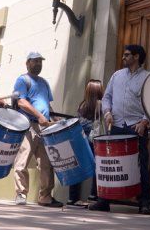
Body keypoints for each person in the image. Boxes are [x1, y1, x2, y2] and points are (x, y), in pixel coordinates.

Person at [89, 44, 150, 215]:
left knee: (140, 165)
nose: (123, 57)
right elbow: (107, 96)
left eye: (127, 55)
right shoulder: (117, 75)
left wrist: (144, 122)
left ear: (137, 56)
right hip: (116, 126)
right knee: (111, 163)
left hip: (136, 127)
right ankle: (103, 200)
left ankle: (144, 203)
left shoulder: (148, 77)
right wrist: (107, 112)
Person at [12, 51, 62, 207]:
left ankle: (45, 197)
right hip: (28, 125)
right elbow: (21, 103)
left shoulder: (44, 83)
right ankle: (20, 194)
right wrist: (40, 115)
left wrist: (54, 118)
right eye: (35, 61)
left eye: (40, 61)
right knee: (22, 161)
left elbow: (47, 104)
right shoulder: (23, 80)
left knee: (47, 163)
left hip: (44, 127)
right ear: (27, 63)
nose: (38, 64)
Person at [68, 79, 103, 207]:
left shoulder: (82, 105)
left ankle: (73, 198)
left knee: (78, 166)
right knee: (97, 166)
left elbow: (79, 122)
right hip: (97, 139)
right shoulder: (102, 104)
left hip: (81, 139)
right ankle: (94, 195)